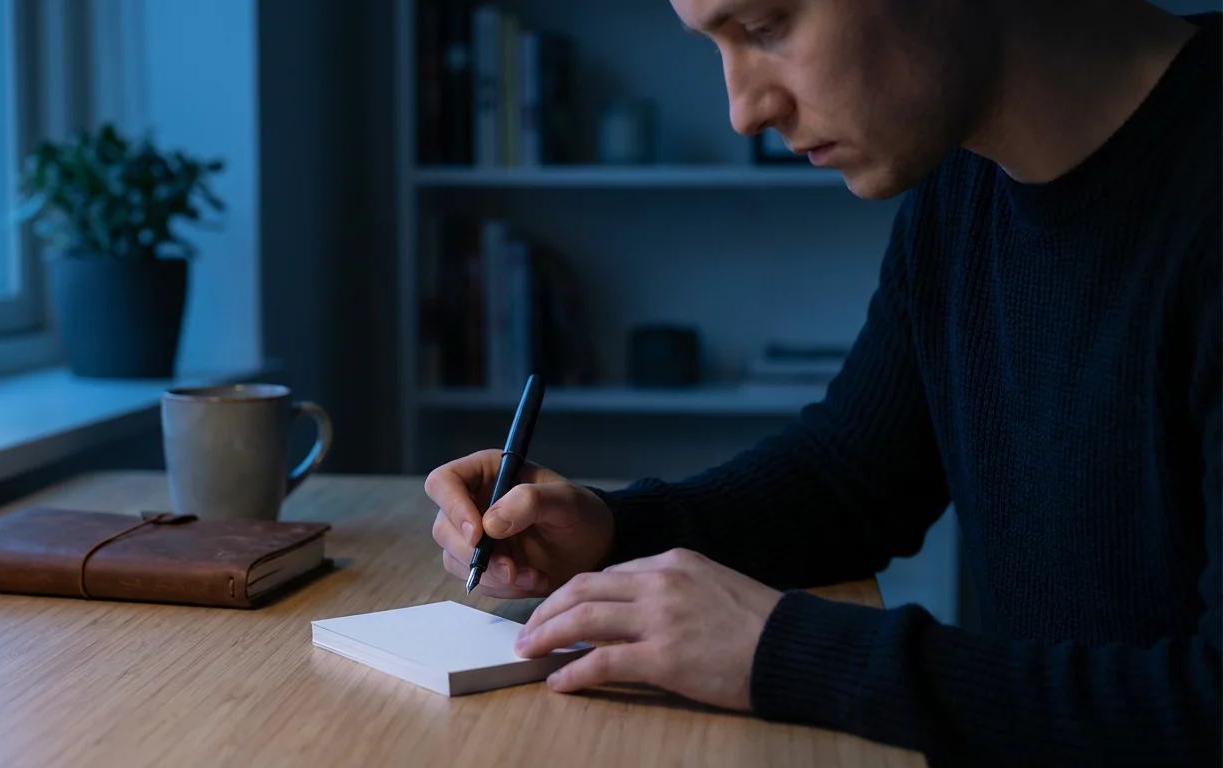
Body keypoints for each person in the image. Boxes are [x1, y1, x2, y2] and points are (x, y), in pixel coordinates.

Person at [426, 0, 1221, 765]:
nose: (743, 111)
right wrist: (611, 531)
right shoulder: (964, 189)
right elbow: (854, 479)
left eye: (765, 27)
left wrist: (792, 652)